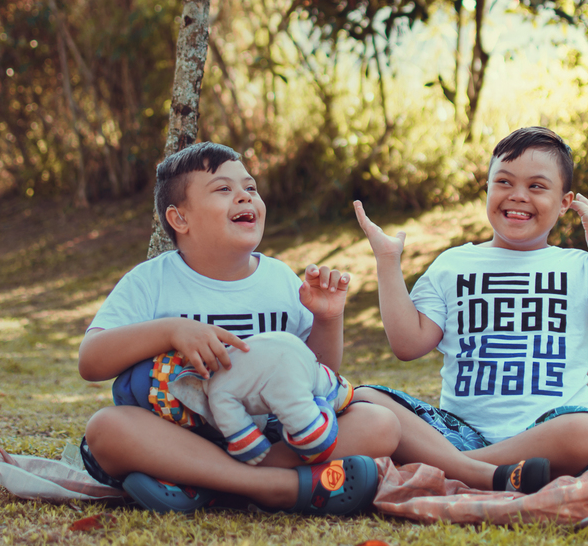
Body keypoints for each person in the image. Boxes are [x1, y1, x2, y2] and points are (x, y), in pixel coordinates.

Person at [79, 141, 399, 514]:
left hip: (267, 440)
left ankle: (206, 483)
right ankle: (274, 487)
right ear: (179, 219)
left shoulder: (279, 279)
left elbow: (315, 371)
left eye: (250, 188)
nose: (245, 197)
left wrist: (327, 318)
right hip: (180, 436)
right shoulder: (152, 280)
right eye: (224, 189)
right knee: (105, 428)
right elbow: (91, 361)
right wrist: (170, 331)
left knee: (380, 424)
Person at [353, 126, 588, 495]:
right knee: (365, 398)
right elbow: (408, 344)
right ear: (488, 189)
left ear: (565, 202)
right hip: (458, 435)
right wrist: (386, 261)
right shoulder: (453, 264)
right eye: (504, 182)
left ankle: (458, 471)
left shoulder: (576, 265)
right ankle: (481, 471)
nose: (518, 196)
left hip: (548, 433)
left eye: (537, 187)